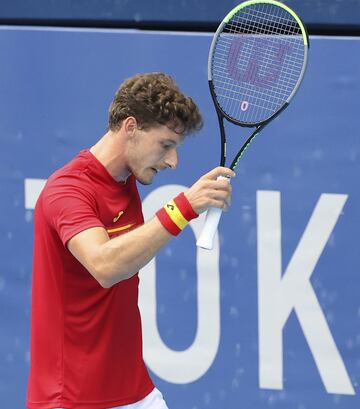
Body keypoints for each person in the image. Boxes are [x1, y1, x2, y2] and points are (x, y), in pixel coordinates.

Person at [26, 72, 234, 409]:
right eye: (166, 145)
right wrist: (183, 207)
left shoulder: (127, 182)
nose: (172, 161)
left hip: (136, 393)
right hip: (71, 399)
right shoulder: (66, 190)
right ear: (131, 127)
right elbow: (105, 265)